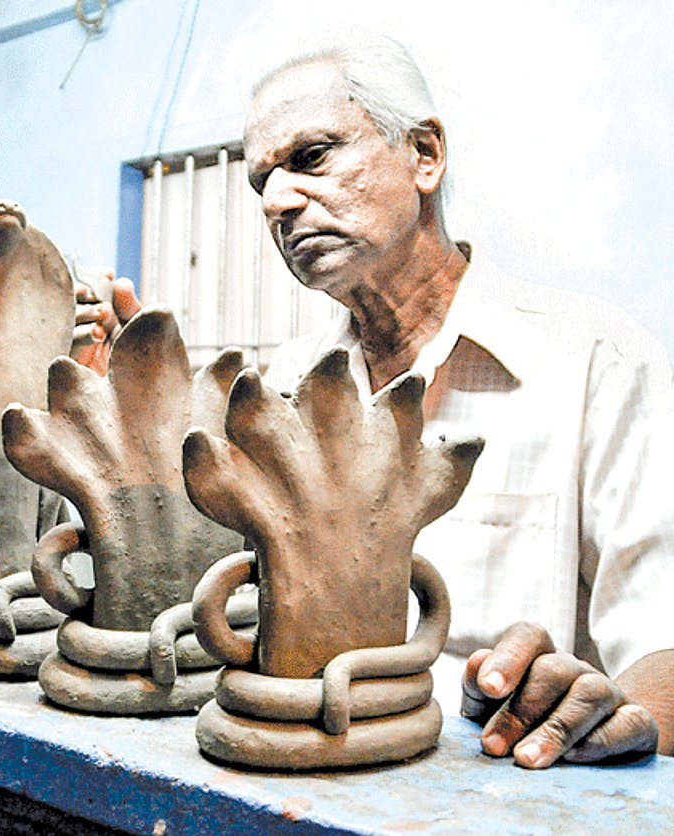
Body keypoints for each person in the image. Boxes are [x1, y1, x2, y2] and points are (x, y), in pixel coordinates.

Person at [75, 36, 673, 769]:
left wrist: (597, 721)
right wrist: (135, 421)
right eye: (261, 179)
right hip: (297, 777)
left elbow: (662, 642)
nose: (277, 201)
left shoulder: (593, 363)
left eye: (311, 157)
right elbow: (221, 604)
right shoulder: (280, 392)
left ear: (425, 154)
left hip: (506, 785)